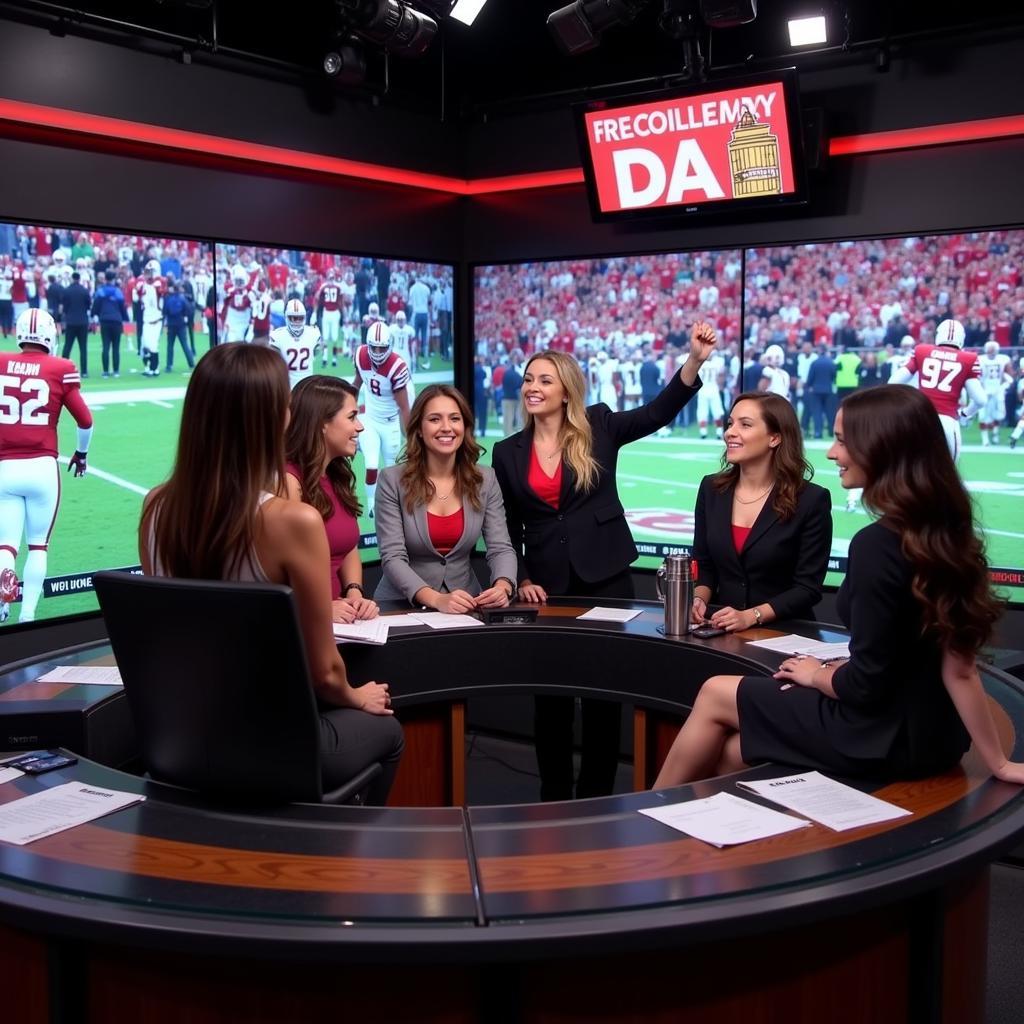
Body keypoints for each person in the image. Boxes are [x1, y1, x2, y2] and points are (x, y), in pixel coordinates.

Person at [654, 385, 1024, 790]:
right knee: (730, 753)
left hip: (876, 735)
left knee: (714, 692)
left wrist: (817, 675)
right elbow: (961, 669)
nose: (832, 453)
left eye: (843, 441)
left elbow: (865, 685)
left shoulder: (877, 545)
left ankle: (649, 819)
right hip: (935, 739)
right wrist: (999, 763)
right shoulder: (947, 532)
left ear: (881, 447)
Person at [139, 344, 402, 805]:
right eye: (283, 403)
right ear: (267, 418)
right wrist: (357, 696)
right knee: (388, 728)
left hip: (182, 737)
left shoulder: (155, 506)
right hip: (272, 738)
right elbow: (324, 673)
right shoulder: (292, 521)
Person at [493, 324, 718, 801]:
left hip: (607, 577)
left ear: (566, 389)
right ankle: (553, 796)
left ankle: (596, 795)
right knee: (550, 698)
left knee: (602, 696)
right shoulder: (507, 451)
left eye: (545, 380)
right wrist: (523, 578)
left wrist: (693, 361)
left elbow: (657, 412)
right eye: (529, 378)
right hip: (546, 587)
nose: (533, 387)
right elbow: (508, 527)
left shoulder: (599, 424)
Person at [690, 392, 832, 633]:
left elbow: (807, 588)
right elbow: (705, 565)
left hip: (786, 632)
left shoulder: (811, 500)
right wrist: (699, 599)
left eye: (745, 425)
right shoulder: (711, 489)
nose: (730, 432)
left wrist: (752, 616)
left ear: (775, 438)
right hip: (721, 629)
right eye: (730, 423)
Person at [374, 384, 517, 612]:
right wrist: (436, 599)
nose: (446, 427)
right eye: (434, 419)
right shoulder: (392, 480)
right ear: (419, 428)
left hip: (466, 604)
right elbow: (393, 557)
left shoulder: (485, 479)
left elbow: (500, 547)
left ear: (465, 425)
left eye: (454, 418)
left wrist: (504, 585)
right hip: (400, 606)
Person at [0, 309, 93, 623]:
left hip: (5, 468)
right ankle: (27, 615)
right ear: (50, 335)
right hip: (41, 466)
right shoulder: (60, 367)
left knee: (6, 545)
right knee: (38, 545)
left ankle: (3, 594)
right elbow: (85, 420)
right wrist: (81, 454)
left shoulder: (1, 362)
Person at [284, 375, 377, 622]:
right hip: (303, 623)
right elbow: (277, 571)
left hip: (341, 621)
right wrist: (320, 609)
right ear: (321, 423)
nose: (360, 426)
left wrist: (354, 590)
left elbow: (347, 547)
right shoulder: (288, 482)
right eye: (351, 417)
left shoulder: (336, 475)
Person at [889, 318, 987, 462]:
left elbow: (893, 383)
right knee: (947, 475)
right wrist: (965, 414)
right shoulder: (969, 358)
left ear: (938, 334)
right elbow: (980, 400)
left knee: (913, 469)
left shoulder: (922, 350)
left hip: (919, 419)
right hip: (947, 420)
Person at [352, 321, 411, 514]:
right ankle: (372, 506)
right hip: (370, 419)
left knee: (392, 471)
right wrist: (349, 412)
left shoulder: (397, 366)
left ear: (389, 345)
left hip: (390, 423)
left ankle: (392, 506)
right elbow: (357, 383)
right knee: (370, 463)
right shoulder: (361, 355)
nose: (377, 352)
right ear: (367, 345)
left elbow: (404, 407)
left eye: (382, 347)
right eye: (374, 347)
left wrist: (411, 438)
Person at [270, 299, 322, 389]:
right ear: (287, 317)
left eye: (300, 318)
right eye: (294, 318)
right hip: (287, 385)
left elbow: (318, 352)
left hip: (307, 385)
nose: (297, 321)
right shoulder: (277, 336)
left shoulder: (313, 334)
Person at [91, 270, 128, 377]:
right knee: (116, 347)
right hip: (116, 321)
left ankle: (106, 371)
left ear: (105, 279)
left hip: (105, 320)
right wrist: (126, 318)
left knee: (106, 346)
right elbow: (122, 307)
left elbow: (96, 306)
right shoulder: (118, 292)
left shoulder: (100, 291)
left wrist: (95, 314)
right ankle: (116, 371)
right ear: (113, 279)